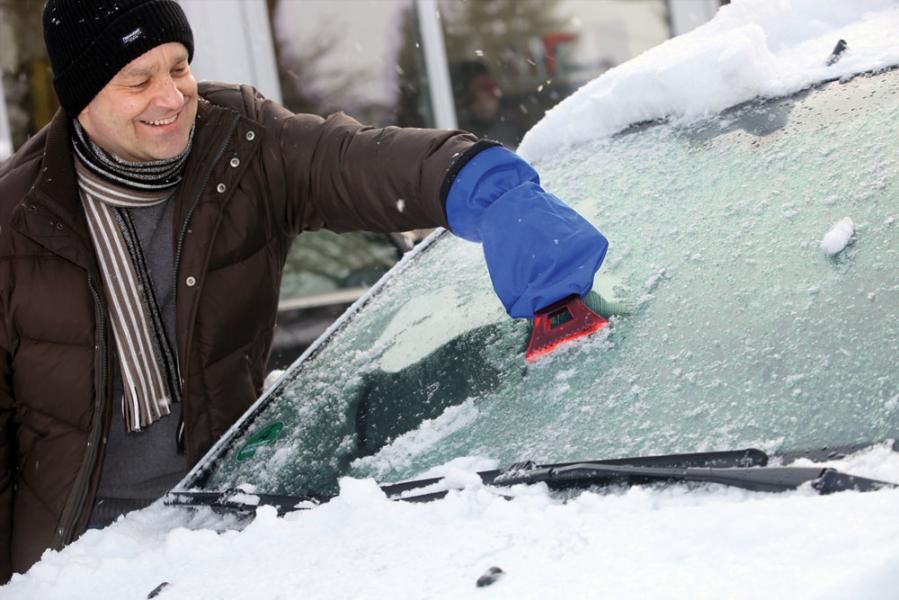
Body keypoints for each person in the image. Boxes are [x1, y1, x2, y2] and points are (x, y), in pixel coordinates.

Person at [0, 0, 607, 581]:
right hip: (71, 562)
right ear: (81, 95)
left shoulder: (237, 146)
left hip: (223, 528)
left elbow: (354, 162)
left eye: (179, 67)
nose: (170, 97)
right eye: (138, 81)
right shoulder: (15, 222)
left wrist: (474, 181)